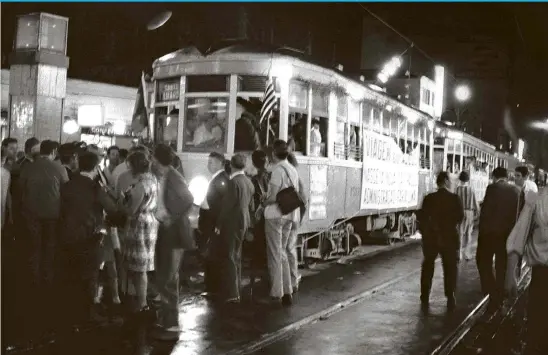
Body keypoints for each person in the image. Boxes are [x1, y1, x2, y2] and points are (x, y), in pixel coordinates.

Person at [57, 151, 118, 327]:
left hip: (68, 235)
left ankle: (70, 311)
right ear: (95, 167)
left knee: (72, 273)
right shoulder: (95, 187)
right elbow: (112, 208)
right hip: (89, 236)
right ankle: (89, 313)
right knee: (91, 275)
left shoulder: (68, 184)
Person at [150, 144, 195, 339]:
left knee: (168, 277)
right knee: (166, 276)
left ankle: (171, 324)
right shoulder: (166, 176)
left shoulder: (173, 177)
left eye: (153, 159)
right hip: (169, 232)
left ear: (158, 160)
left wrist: (171, 217)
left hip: (174, 233)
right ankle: (167, 320)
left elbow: (188, 198)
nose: (151, 162)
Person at [19, 140, 69, 291]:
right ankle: (47, 277)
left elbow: (21, 188)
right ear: (54, 152)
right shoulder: (59, 168)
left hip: (31, 213)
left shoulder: (29, 166)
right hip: (53, 214)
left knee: (34, 246)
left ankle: (34, 277)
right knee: (49, 246)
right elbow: (65, 191)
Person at [506, 186, 548, 355]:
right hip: (543, 279)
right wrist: (510, 276)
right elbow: (517, 240)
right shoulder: (537, 201)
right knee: (538, 332)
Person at [261, 140, 301, 307]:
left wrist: (263, 200)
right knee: (283, 252)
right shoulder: (292, 169)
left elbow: (273, 197)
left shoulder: (278, 170)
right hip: (290, 215)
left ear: (273, 154)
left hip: (275, 215)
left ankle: (277, 293)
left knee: (275, 254)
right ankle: (288, 291)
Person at [418, 171, 464, 311]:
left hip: (431, 237)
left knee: (428, 266)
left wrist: (426, 232)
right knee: (450, 268)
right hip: (449, 237)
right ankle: (450, 296)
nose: (451, 182)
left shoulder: (429, 198)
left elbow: (422, 217)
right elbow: (460, 217)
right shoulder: (454, 198)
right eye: (450, 179)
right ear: (445, 181)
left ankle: (425, 295)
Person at [121, 151, 159, 317]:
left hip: (139, 225)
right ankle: (140, 300)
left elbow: (131, 210)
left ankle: (142, 303)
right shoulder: (153, 179)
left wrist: (120, 201)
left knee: (139, 267)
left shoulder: (140, 185)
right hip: (150, 222)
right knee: (141, 265)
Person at [477, 166, 520, 310]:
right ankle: (500, 295)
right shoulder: (516, 191)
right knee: (501, 265)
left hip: (489, 235)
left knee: (484, 263)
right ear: (507, 177)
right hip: (506, 236)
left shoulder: (492, 188)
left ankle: (492, 293)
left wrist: (481, 232)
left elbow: (485, 212)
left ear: (495, 177)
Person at [216, 154, 254, 304]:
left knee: (230, 256)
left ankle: (233, 293)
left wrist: (218, 225)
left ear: (231, 165)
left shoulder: (233, 183)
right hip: (244, 222)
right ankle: (236, 288)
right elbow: (250, 206)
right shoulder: (249, 182)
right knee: (237, 255)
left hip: (232, 222)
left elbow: (226, 207)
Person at [199, 152, 230, 299]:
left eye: (211, 162)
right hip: (211, 223)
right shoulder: (217, 179)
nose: (208, 165)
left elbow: (221, 205)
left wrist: (217, 224)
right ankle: (212, 286)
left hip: (213, 224)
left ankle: (214, 288)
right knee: (212, 255)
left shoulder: (221, 180)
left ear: (220, 163)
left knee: (213, 256)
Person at [249, 150, 271, 296]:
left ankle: (255, 280)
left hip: (258, 220)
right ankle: (268, 278)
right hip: (270, 217)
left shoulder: (253, 180)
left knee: (257, 249)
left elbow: (251, 203)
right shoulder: (271, 177)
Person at [455, 171, 479, 261]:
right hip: (469, 212)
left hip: (460, 212)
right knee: (468, 233)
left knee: (460, 233)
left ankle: (459, 254)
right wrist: (478, 213)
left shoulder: (457, 189)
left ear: (460, 179)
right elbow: (475, 202)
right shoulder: (471, 189)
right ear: (468, 180)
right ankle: (467, 254)